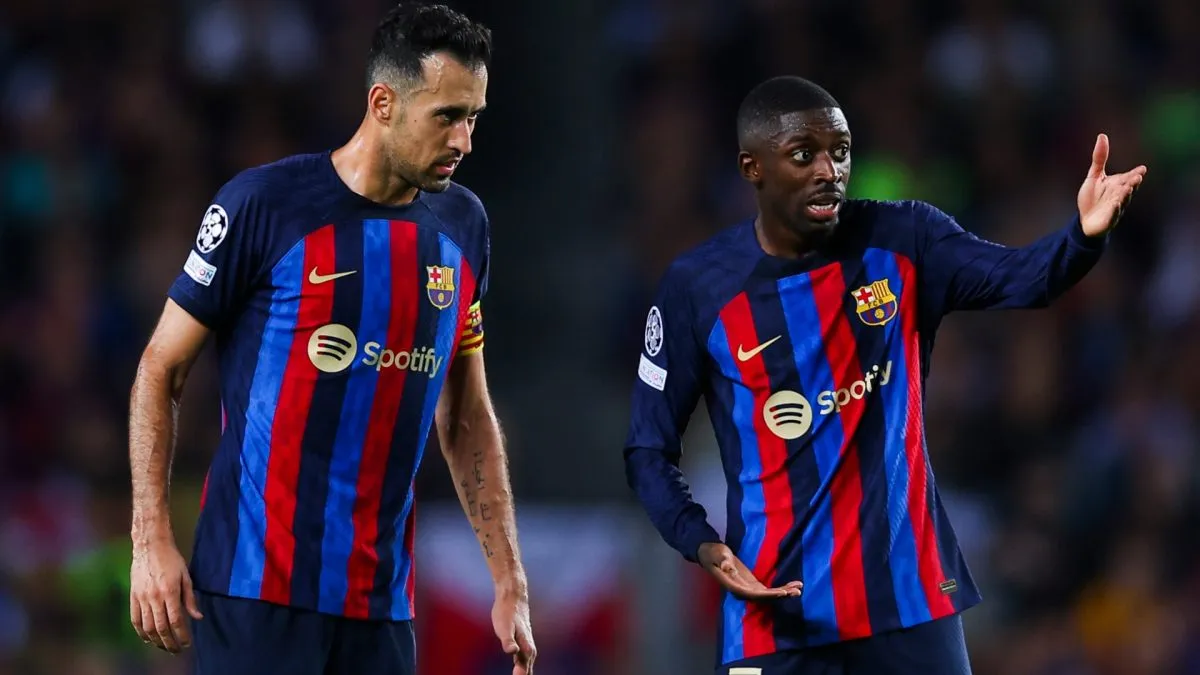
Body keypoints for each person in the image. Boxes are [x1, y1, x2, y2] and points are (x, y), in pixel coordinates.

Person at [622, 75, 1146, 675]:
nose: (829, 171)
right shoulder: (698, 288)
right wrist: (701, 542)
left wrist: (1082, 237)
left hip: (908, 606)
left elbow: (1022, 278)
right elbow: (647, 449)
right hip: (775, 617)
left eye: (840, 151)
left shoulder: (904, 238)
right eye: (804, 155)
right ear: (753, 168)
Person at [127, 4, 536, 674]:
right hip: (253, 595)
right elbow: (160, 368)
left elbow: (466, 415)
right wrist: (150, 541)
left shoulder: (465, 227)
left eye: (473, 118)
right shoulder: (265, 204)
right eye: (446, 116)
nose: (464, 141)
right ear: (383, 103)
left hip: (381, 610)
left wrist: (509, 577)